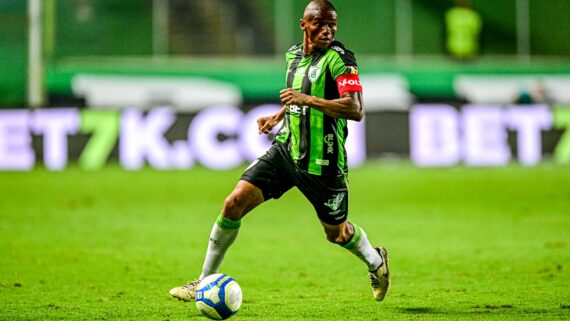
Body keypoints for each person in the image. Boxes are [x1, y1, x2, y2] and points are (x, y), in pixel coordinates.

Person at [169, 0, 390, 302]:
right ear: (304, 24)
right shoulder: (293, 56)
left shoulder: (341, 59)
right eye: (320, 24)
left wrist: (306, 100)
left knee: (337, 234)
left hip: (323, 162)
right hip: (286, 151)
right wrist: (280, 115)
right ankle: (203, 281)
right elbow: (297, 95)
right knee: (233, 203)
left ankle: (376, 262)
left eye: (332, 24)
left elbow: (355, 108)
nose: (327, 30)